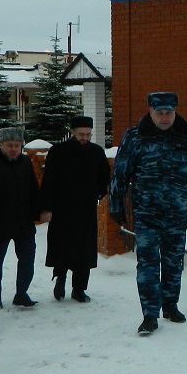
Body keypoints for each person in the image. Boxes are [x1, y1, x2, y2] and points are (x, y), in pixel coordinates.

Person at [109, 92, 187, 337]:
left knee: (173, 261)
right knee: (147, 263)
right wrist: (116, 204)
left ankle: (170, 305)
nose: (164, 117)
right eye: (159, 112)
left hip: (177, 211)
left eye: (168, 112)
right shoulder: (135, 137)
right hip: (146, 212)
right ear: (150, 111)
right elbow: (120, 172)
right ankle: (149, 314)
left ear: (175, 111)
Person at [39, 115, 110, 303]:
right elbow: (49, 181)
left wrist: (99, 193)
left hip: (85, 209)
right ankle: (60, 279)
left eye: (88, 134)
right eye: (81, 134)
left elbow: (104, 176)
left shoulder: (96, 152)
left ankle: (79, 289)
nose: (84, 138)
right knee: (62, 247)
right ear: (72, 132)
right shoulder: (58, 151)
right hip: (62, 209)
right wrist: (47, 207)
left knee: (84, 251)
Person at [0, 127, 41, 310]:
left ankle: (21, 293)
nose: (14, 149)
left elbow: (33, 188)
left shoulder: (25, 162)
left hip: (23, 221)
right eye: (10, 145)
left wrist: (37, 211)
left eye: (17, 145)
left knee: (27, 259)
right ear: (0, 144)